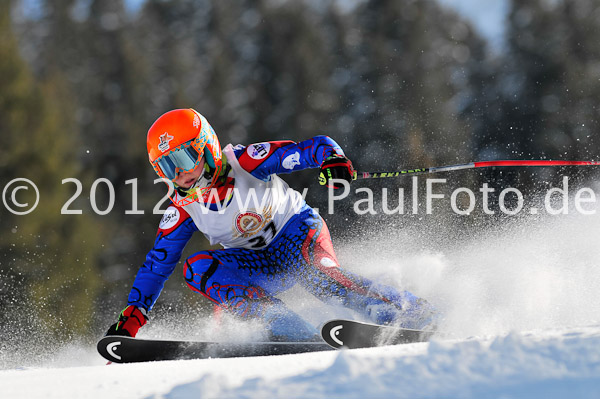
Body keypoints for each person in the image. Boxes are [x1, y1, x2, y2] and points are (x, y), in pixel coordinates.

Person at [105, 108, 437, 341]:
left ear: (205, 146)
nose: (178, 174)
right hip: (257, 264)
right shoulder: (183, 208)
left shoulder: (245, 162)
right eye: (166, 167)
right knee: (198, 268)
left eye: (182, 160)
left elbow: (308, 149)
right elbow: (156, 267)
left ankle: (412, 315)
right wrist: (133, 315)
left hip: (297, 235)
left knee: (325, 283)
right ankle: (282, 326)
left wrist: (332, 160)